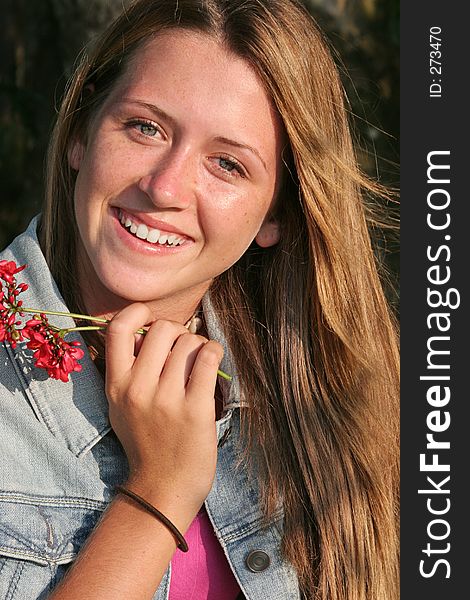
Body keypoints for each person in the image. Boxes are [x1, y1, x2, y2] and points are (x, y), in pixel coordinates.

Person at [0, 0, 399, 598]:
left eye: (227, 164)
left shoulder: (329, 397)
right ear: (81, 133)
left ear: (277, 214)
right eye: (145, 128)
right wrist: (159, 490)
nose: (164, 187)